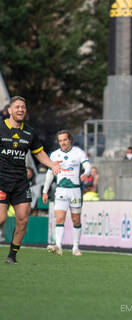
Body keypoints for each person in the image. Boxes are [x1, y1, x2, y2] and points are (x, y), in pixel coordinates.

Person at [0, 96, 61, 264]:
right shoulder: (1, 128)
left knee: (23, 219)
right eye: (17, 107)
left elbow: (39, 153)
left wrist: (52, 165)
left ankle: (12, 256)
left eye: (23, 108)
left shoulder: (29, 132)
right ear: (10, 110)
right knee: (1, 218)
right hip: (2, 180)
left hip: (20, 182)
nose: (21, 110)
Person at [42, 130, 91, 257]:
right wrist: (45, 191)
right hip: (61, 190)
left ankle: (75, 247)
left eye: (64, 140)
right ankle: (58, 246)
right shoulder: (54, 155)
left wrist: (86, 173)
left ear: (70, 140)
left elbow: (88, 165)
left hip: (75, 191)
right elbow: (50, 173)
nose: (62, 143)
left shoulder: (78, 152)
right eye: (60, 141)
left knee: (76, 220)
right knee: (59, 218)